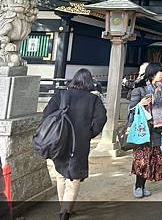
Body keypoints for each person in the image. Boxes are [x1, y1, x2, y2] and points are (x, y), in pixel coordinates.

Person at [42, 68, 107, 220]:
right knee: (74, 178)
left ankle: (62, 207)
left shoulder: (61, 94)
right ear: (89, 82)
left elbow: (46, 114)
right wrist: (89, 133)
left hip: (58, 141)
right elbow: (101, 119)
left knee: (60, 175)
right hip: (79, 142)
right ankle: (65, 211)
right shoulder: (93, 100)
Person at [128, 62, 162, 198]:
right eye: (160, 72)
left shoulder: (159, 87)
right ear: (153, 73)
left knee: (151, 159)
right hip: (143, 128)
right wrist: (140, 104)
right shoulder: (140, 89)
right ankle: (138, 186)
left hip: (156, 128)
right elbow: (131, 110)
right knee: (142, 159)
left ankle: (143, 186)